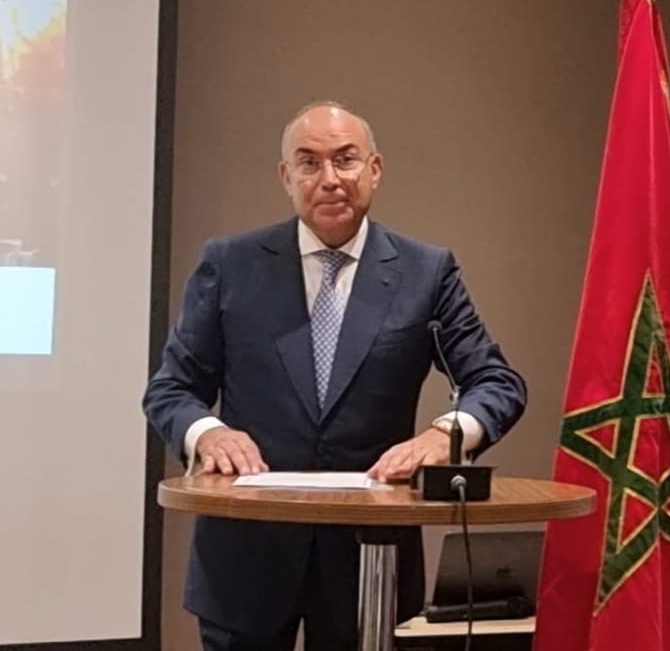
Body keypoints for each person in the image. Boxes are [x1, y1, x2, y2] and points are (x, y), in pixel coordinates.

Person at [143, 101, 527, 650]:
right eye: (309, 163)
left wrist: (444, 436)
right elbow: (171, 388)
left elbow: (497, 383)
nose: (329, 179)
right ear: (286, 177)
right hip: (247, 558)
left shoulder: (426, 272)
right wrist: (209, 434)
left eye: (345, 160)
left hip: (369, 563)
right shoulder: (230, 264)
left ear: (375, 168)